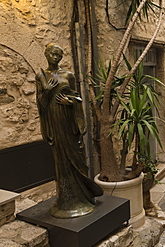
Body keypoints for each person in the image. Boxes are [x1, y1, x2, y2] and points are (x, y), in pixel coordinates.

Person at [36, 43, 103, 218]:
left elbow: (77, 98)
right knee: (60, 161)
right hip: (55, 124)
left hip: (68, 122)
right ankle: (65, 201)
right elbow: (41, 105)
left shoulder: (69, 75)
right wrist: (47, 92)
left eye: (59, 55)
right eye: (53, 54)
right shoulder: (41, 77)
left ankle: (82, 197)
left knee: (77, 158)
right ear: (46, 54)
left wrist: (70, 103)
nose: (56, 57)